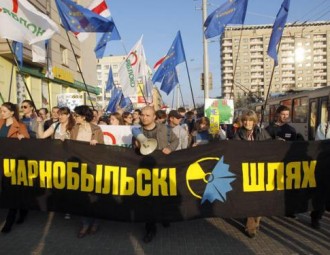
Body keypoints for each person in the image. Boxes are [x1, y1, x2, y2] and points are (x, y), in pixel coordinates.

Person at [133, 106, 179, 243]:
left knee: (163, 196)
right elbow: (134, 149)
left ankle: (164, 218)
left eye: (148, 115)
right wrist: (136, 146)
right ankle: (150, 228)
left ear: (154, 117)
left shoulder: (165, 129)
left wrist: (170, 148)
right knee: (148, 200)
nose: (144, 117)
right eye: (142, 115)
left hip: (162, 168)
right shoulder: (137, 131)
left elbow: (175, 141)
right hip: (145, 170)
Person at [233, 109, 271, 238]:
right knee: (249, 198)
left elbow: (270, 146)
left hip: (260, 169)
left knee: (259, 198)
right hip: (245, 170)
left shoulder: (262, 132)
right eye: (245, 120)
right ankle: (251, 227)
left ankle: (257, 220)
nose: (248, 123)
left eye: (250, 120)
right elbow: (235, 150)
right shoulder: (238, 133)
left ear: (254, 121)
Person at [70, 105, 104, 238]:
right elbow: (71, 145)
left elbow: (103, 149)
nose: (74, 117)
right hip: (78, 167)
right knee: (82, 197)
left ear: (83, 117)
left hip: (92, 166)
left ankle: (95, 222)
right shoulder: (74, 128)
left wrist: (97, 143)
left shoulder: (96, 129)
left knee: (94, 196)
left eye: (76, 115)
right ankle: (85, 224)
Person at [0, 102, 30, 233]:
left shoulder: (20, 126)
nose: (1, 113)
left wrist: (23, 138)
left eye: (4, 111)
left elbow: (29, 142)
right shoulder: (0, 123)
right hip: (0, 162)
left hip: (13, 164)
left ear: (12, 112)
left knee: (12, 191)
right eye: (1, 111)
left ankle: (10, 220)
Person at [265, 105, 298, 218]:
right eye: (283, 114)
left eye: (287, 115)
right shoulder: (269, 129)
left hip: (286, 163)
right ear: (278, 114)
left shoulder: (291, 130)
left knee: (287, 187)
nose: (285, 117)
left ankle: (289, 210)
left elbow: (295, 146)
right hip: (272, 162)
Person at [310, 110, 330, 229]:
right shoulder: (324, 127)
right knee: (323, 192)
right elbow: (321, 144)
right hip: (325, 165)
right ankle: (316, 217)